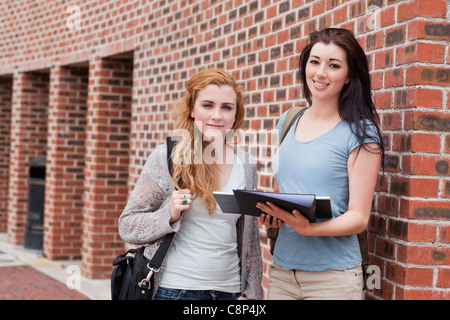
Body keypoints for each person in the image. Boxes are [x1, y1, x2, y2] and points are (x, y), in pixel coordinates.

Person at [258, 28, 384, 300]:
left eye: (334, 65)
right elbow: (291, 193)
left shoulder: (361, 133)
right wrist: (275, 215)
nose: (320, 73)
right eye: (314, 62)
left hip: (334, 279)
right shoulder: (288, 121)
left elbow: (358, 218)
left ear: (349, 75)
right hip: (283, 271)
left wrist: (308, 229)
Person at [118, 68, 262, 300]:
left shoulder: (245, 164)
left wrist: (252, 293)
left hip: (231, 292)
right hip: (175, 290)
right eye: (208, 105)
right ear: (192, 110)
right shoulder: (167, 158)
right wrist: (169, 214)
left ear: (235, 115)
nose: (217, 115)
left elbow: (250, 238)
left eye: (226, 107)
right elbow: (128, 225)